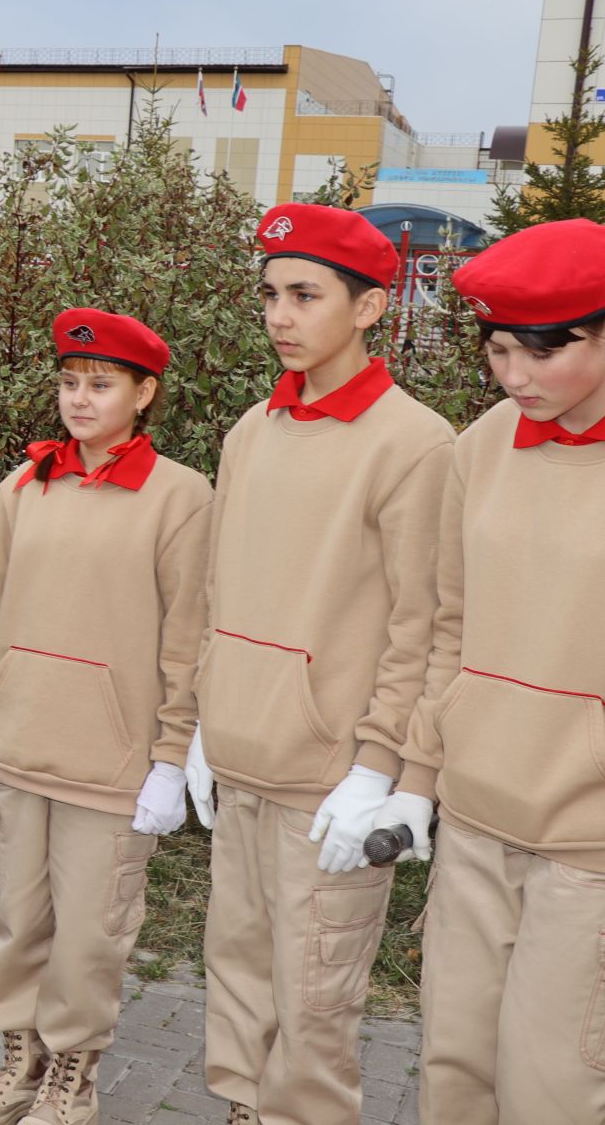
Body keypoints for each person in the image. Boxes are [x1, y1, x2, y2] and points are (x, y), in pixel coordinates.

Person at [185, 203, 454, 1125]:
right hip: (240, 752)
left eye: (305, 294)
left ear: (371, 306)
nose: (280, 316)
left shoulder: (416, 443)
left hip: (330, 777)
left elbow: (421, 625)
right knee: (239, 974)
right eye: (269, 295)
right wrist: (198, 721)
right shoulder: (250, 431)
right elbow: (220, 593)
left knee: (315, 1007)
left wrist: (381, 766)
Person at [0, 310, 211, 1125]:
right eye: (69, 382)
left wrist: (172, 755)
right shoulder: (23, 488)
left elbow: (188, 638)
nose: (80, 399)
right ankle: (17, 1066)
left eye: (101, 384)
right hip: (24, 746)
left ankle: (73, 1079)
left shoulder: (181, 496)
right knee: (21, 921)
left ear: (144, 392)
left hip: (115, 764)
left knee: (92, 935)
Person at [373, 219, 605, 1120]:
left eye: (542, 353)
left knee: (551, 1085)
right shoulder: (480, 447)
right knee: (454, 1066)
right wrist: (418, 779)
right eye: (500, 350)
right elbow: (450, 623)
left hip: (587, 847)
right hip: (472, 816)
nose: (515, 378)